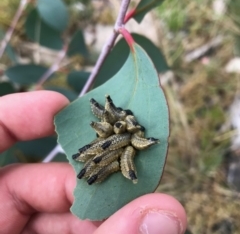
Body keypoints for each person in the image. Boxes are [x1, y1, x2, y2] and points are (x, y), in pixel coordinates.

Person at [0, 91, 187, 234]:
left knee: (107, 158)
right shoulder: (113, 140)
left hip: (115, 149)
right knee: (103, 158)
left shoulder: (120, 140)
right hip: (111, 151)